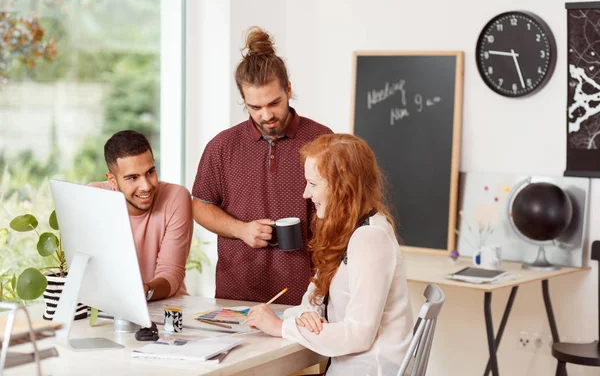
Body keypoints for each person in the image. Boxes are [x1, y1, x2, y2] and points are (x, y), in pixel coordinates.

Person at [245, 133, 414, 376]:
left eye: (313, 184)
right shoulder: (350, 229)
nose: (305, 193)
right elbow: (315, 300)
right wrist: (305, 315)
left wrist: (281, 327)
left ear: (344, 187)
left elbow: (359, 335)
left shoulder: (370, 238)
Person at [191, 27, 332, 305]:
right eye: (254, 107)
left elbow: (343, 208)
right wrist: (241, 230)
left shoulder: (322, 140)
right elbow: (200, 205)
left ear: (288, 89)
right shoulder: (221, 146)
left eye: (274, 103)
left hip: (307, 297)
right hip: (236, 298)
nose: (266, 115)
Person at [90, 130, 193, 301]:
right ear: (112, 180)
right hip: (111, 306)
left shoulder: (176, 197)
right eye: (132, 178)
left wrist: (142, 291)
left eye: (150, 172)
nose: (146, 186)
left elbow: (171, 273)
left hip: (165, 306)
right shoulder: (94, 197)